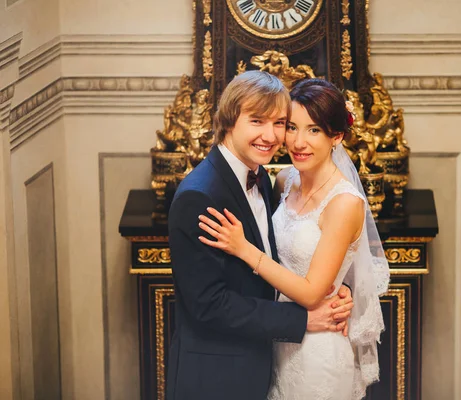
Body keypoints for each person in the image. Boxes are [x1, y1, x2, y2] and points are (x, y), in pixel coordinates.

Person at [165, 71, 354, 400]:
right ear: (228, 121)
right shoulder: (200, 195)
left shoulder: (265, 179)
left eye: (280, 122)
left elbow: (292, 254)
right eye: (257, 121)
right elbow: (209, 306)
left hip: (269, 362)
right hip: (216, 378)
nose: (272, 136)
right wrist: (302, 320)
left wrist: (337, 286)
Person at [198, 78, 390, 400]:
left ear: (337, 136)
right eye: (291, 127)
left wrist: (245, 250)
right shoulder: (284, 180)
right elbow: (284, 252)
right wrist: (340, 287)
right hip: (276, 338)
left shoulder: (344, 203)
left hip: (317, 349)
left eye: (313, 130)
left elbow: (314, 292)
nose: (298, 142)